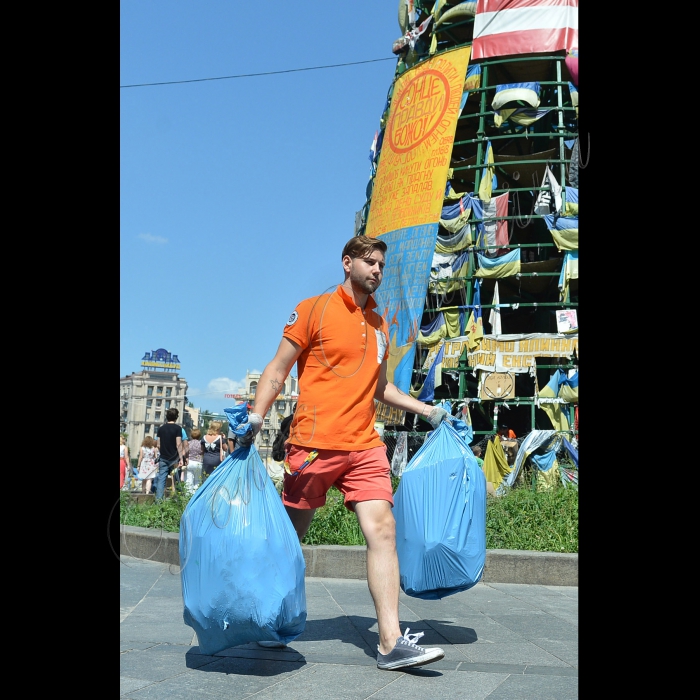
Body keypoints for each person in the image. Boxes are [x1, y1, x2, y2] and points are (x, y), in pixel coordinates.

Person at [236, 234, 452, 670]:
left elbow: (379, 388)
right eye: (370, 262)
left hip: (364, 445)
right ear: (346, 262)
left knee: (384, 529)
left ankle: (390, 641)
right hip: (313, 445)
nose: (377, 271)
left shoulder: (379, 325)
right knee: (289, 539)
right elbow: (277, 370)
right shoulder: (313, 309)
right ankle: (267, 617)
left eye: (381, 266)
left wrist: (427, 410)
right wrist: (256, 417)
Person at [155, 408, 184, 501]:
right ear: (176, 417)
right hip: (174, 458)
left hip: (163, 458)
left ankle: (158, 502)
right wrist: (181, 458)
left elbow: (158, 444)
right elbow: (178, 444)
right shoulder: (178, 429)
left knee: (161, 480)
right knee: (176, 479)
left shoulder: (161, 429)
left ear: (167, 417)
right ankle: (177, 500)